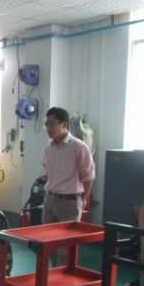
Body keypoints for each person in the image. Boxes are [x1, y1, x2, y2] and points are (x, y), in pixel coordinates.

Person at [42, 106, 96, 264]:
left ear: (64, 125)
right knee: (48, 243)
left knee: (65, 247)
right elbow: (48, 173)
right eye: (46, 124)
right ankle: (52, 273)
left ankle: (63, 274)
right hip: (50, 200)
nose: (48, 128)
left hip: (70, 202)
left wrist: (83, 200)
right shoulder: (48, 149)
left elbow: (88, 177)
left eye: (52, 124)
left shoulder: (79, 147)